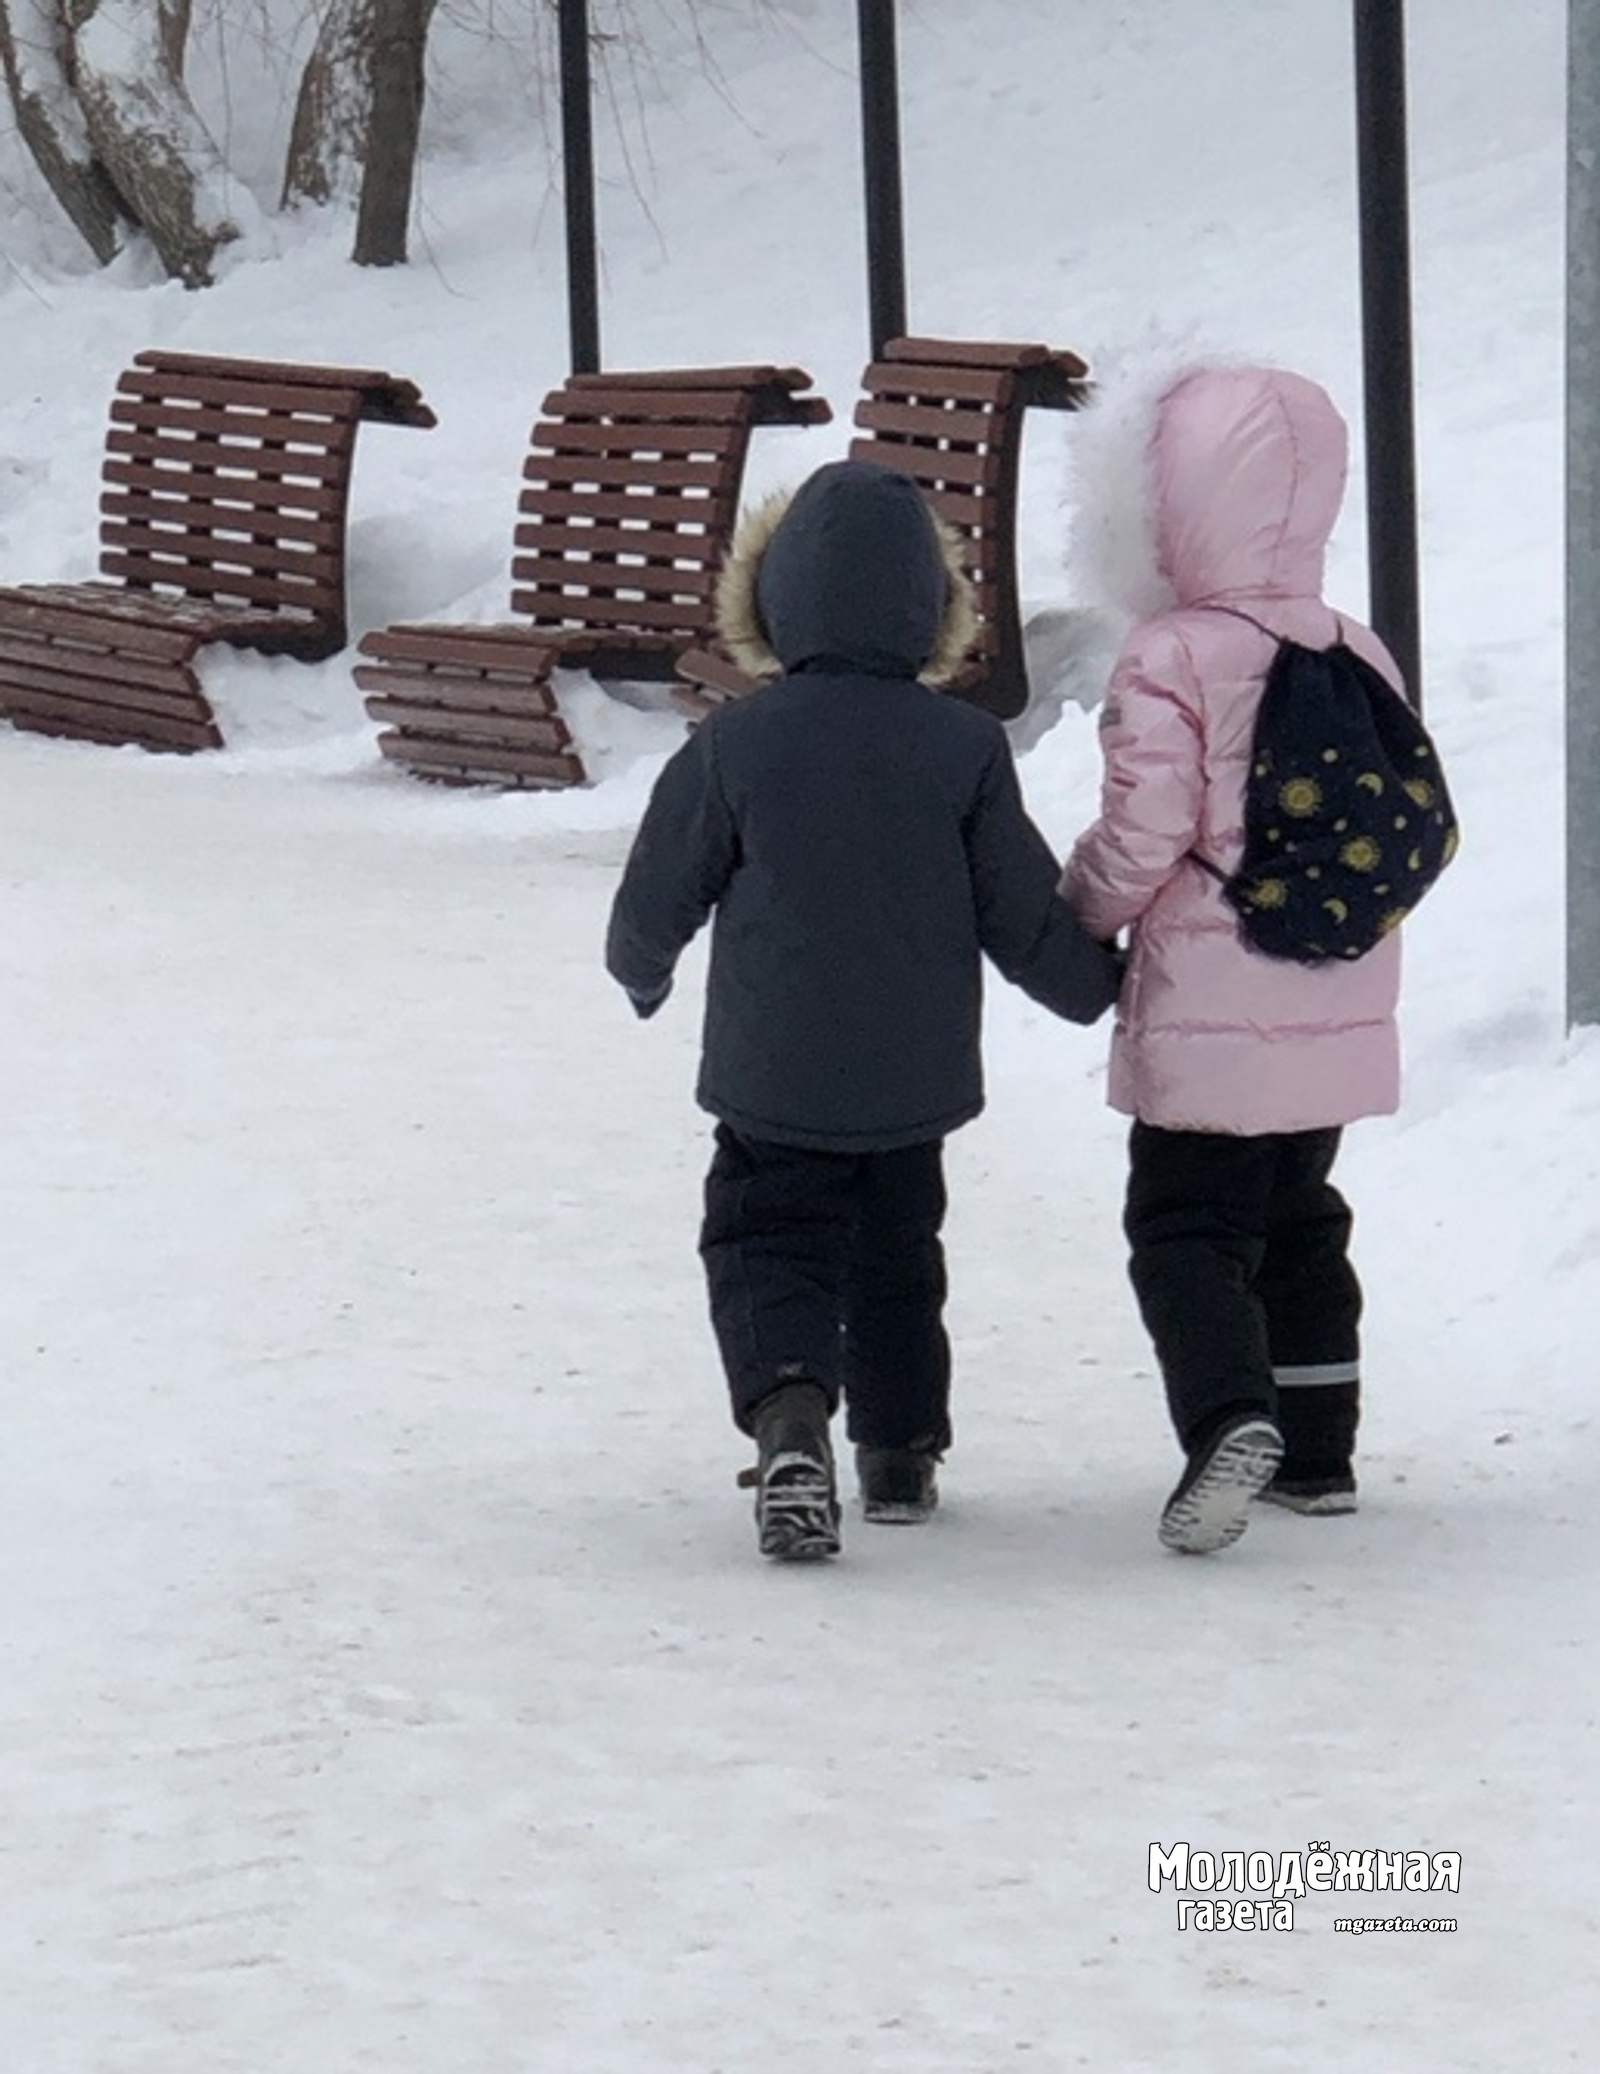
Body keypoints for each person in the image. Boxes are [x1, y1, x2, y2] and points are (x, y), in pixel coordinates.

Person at [606, 459, 1122, 1561]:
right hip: (912, 1079)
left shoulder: (735, 741)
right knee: (898, 1253)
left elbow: (662, 881)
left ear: (771, 601)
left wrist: (640, 969)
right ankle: (899, 1451)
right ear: (931, 610)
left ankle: (791, 1409)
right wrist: (1098, 989)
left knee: (767, 1239)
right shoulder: (963, 748)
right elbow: (1018, 906)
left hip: (770, 1071)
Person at [1062, 362, 1403, 1555]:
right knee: (1301, 1214)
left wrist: (1080, 905)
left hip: (1209, 1002)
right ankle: (1318, 1452)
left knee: (1185, 1224)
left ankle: (1225, 1419)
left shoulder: (1171, 653)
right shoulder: (1358, 647)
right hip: (1337, 989)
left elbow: (1146, 831)